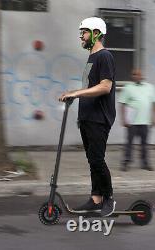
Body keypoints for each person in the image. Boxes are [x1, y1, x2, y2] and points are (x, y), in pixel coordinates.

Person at [59, 17, 116, 217]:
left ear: (96, 34)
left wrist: (76, 93)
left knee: (97, 159)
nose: (81, 36)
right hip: (87, 116)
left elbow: (105, 86)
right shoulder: (92, 58)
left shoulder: (104, 56)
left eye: (84, 32)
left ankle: (108, 198)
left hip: (99, 117)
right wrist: (75, 97)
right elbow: (89, 88)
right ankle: (96, 198)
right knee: (92, 160)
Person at [119, 69, 155, 171]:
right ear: (132, 76)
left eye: (138, 74)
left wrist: (154, 118)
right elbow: (123, 104)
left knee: (144, 144)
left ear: (142, 76)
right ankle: (126, 162)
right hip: (131, 122)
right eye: (133, 74)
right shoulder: (128, 88)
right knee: (129, 143)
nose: (135, 76)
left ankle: (145, 163)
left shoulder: (150, 87)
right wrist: (124, 119)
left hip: (145, 122)